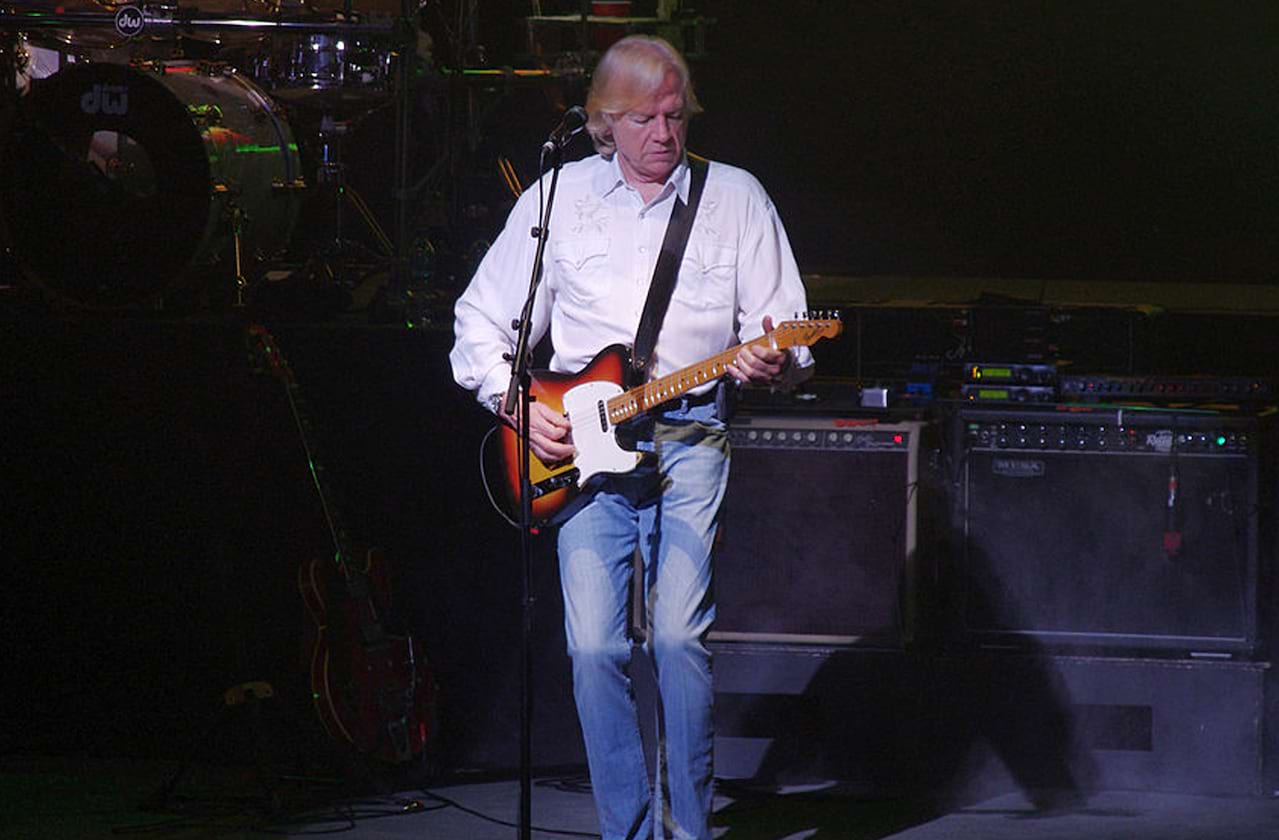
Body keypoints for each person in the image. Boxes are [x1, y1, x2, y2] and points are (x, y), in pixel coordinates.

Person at [449, 34, 813, 840]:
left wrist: (774, 362)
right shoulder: (558, 197)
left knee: (680, 638)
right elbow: (480, 320)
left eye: (675, 116)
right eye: (644, 118)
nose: (663, 133)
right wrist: (515, 403)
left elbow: (785, 333)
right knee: (593, 652)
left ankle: (686, 831)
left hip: (690, 438)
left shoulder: (735, 198)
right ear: (602, 122)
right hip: (578, 452)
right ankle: (626, 830)